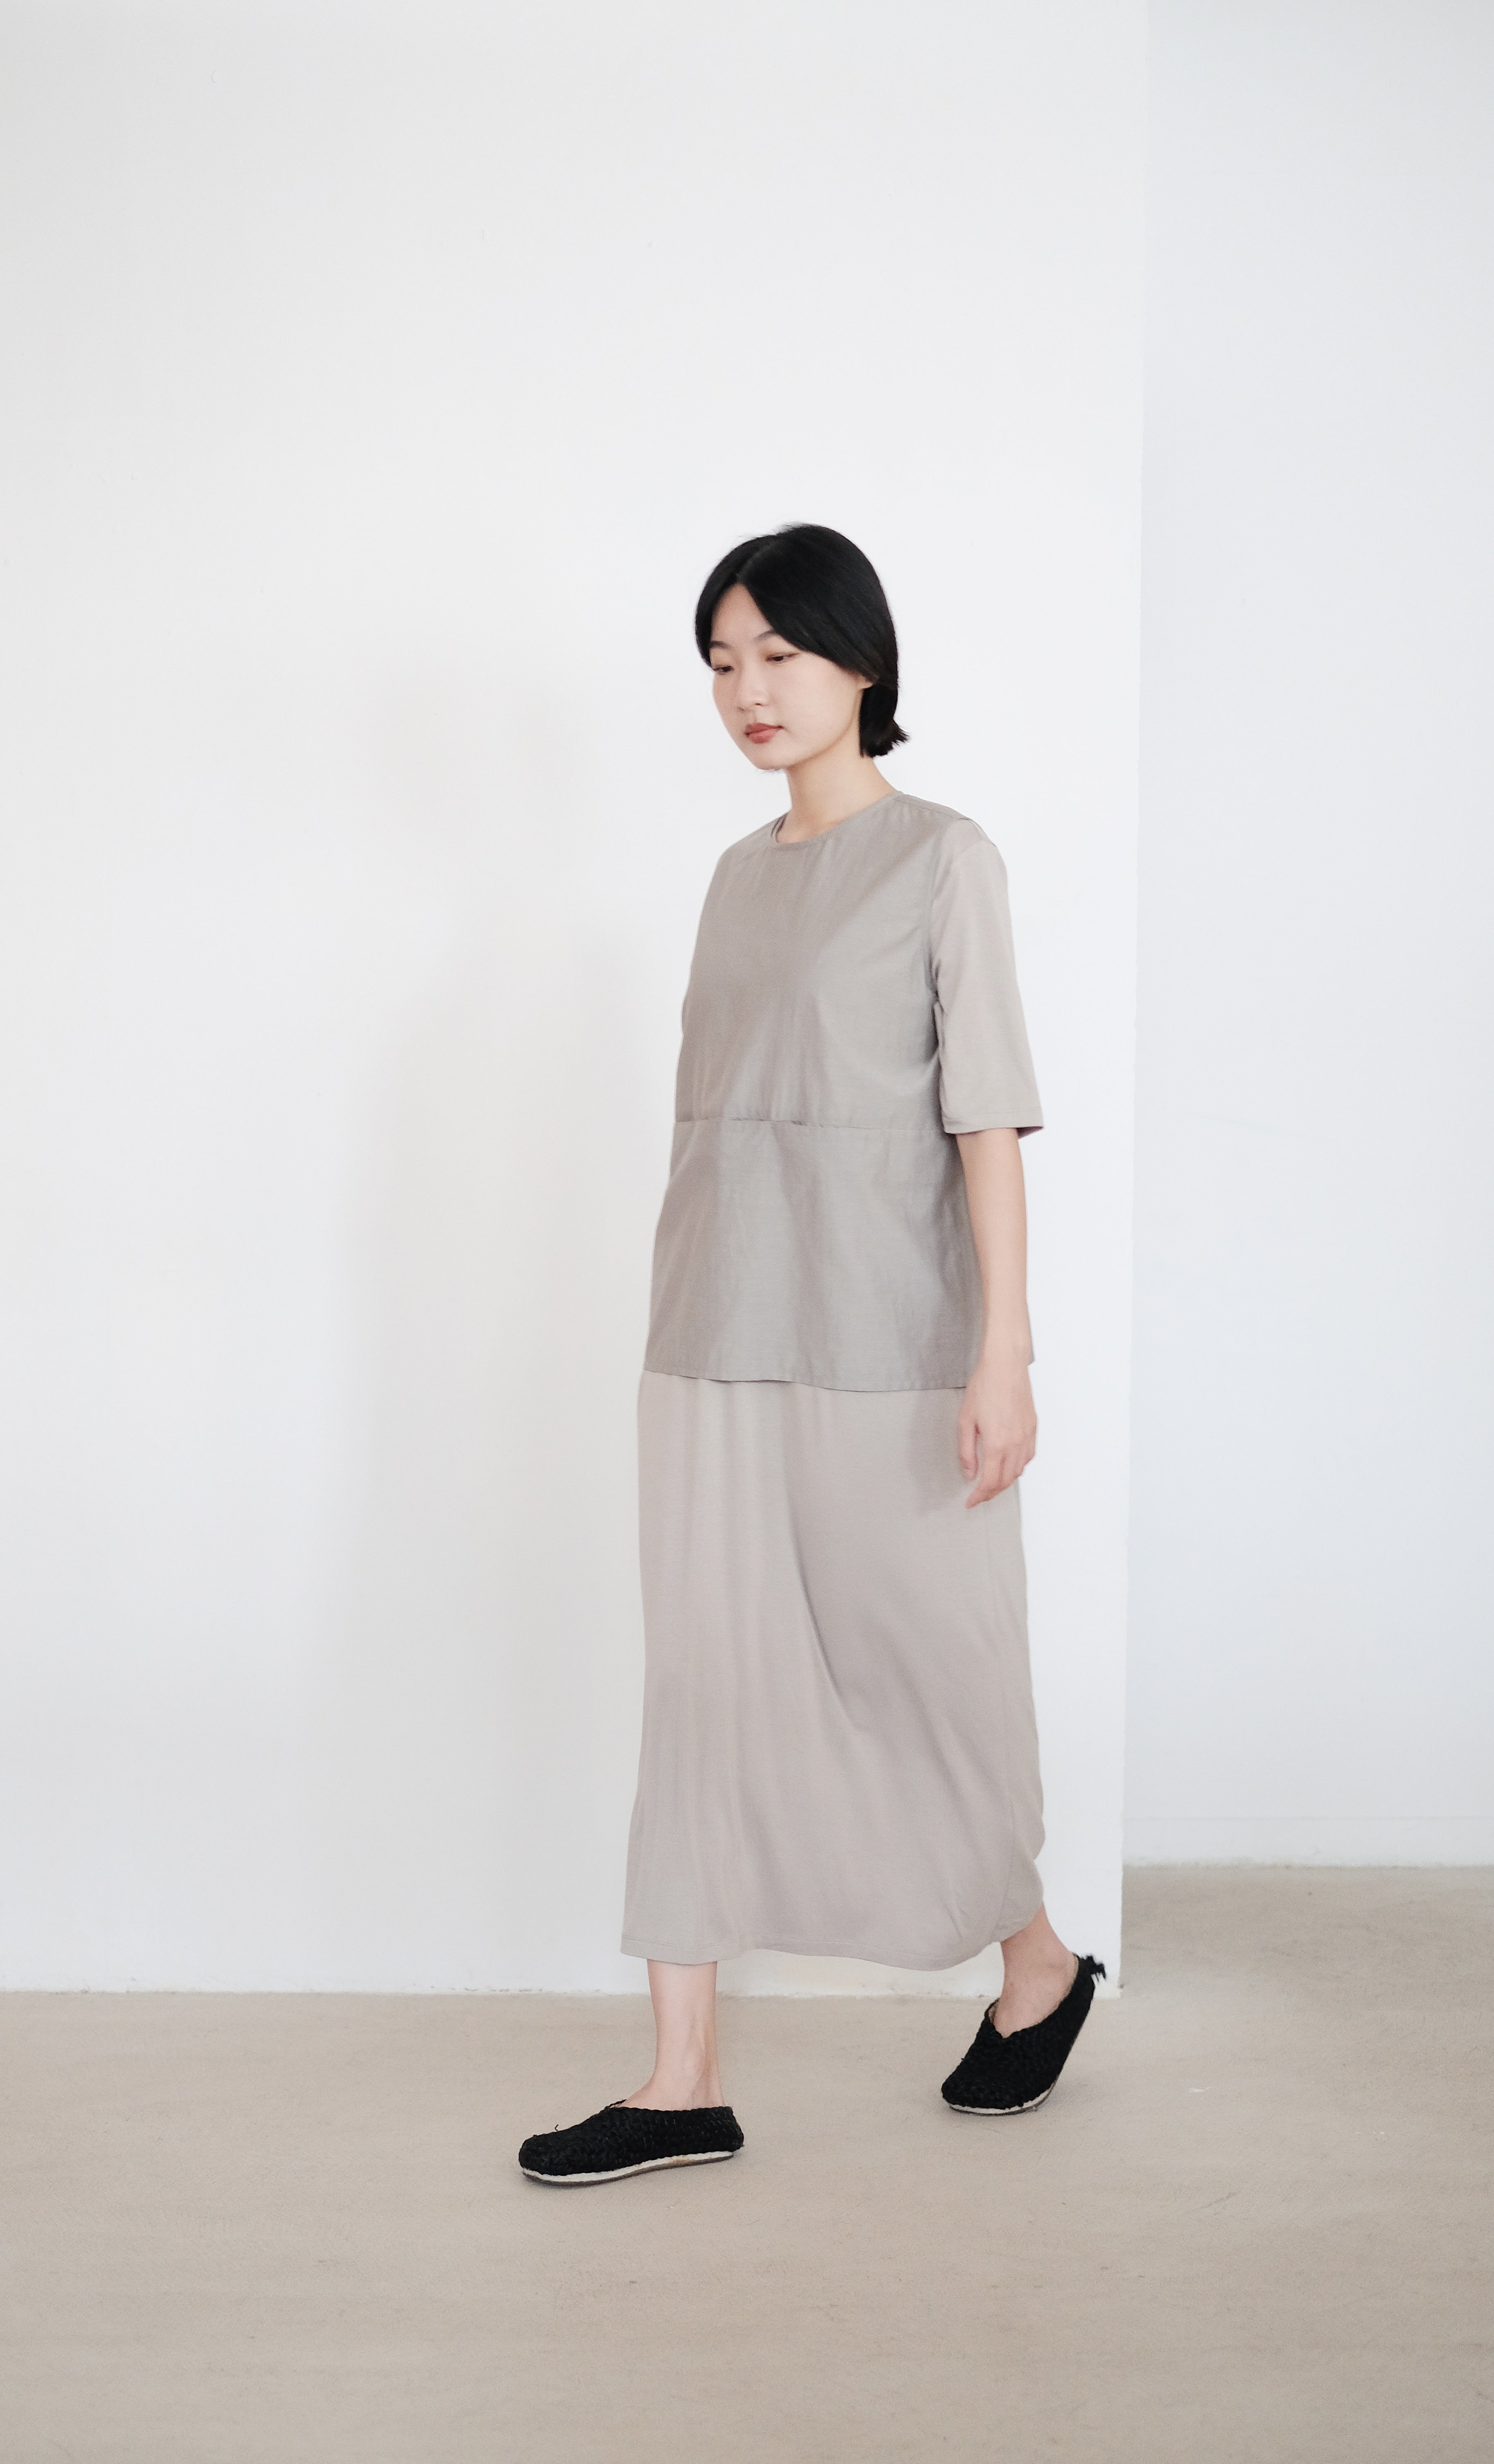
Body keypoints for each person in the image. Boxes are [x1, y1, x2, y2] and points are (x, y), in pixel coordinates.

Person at [519, 525, 1102, 2187]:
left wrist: (1005, 1352)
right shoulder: (736, 874)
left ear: (861, 659)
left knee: (925, 1663)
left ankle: (1036, 1963)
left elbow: (985, 1117)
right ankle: (680, 2078)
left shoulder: (943, 859)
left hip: (889, 1342)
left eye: (777, 654)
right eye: (721, 663)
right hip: (711, 1330)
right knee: (703, 1680)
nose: (747, 692)